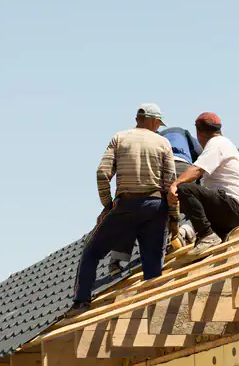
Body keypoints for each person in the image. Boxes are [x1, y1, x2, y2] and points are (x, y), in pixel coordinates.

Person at [67, 103, 178, 317]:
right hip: (156, 207)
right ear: (154, 121)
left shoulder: (120, 138)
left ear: (138, 119)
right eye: (158, 123)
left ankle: (81, 302)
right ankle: (155, 311)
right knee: (153, 265)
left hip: (126, 204)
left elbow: (102, 173)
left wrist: (108, 205)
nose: (158, 127)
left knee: (91, 252)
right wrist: (173, 217)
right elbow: (170, 185)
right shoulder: (163, 143)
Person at [107, 126, 203, 274]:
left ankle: (116, 261)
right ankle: (183, 233)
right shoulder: (182, 132)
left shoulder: (150, 141)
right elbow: (201, 157)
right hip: (180, 166)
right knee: (197, 202)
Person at [168, 112, 239, 258]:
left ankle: (207, 235)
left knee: (184, 189)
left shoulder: (216, 144)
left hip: (229, 209)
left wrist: (175, 184)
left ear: (199, 133)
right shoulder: (227, 145)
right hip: (231, 215)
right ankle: (204, 235)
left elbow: (197, 170)